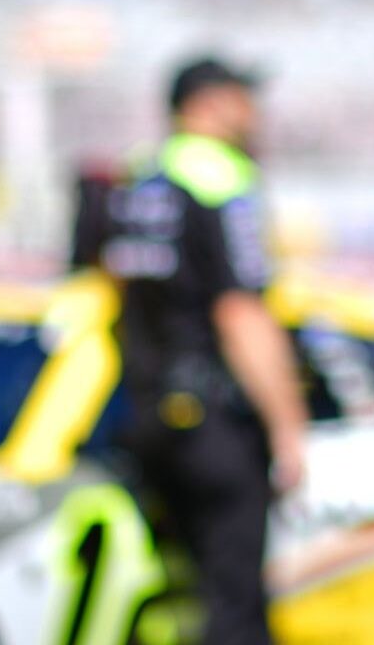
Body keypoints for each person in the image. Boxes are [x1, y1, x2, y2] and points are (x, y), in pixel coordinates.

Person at [103, 57, 308, 645]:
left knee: (180, 603)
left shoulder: (137, 178)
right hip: (215, 423)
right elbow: (241, 312)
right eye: (244, 98)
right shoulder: (223, 178)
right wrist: (288, 430)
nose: (254, 114)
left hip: (143, 419)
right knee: (236, 606)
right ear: (209, 103)